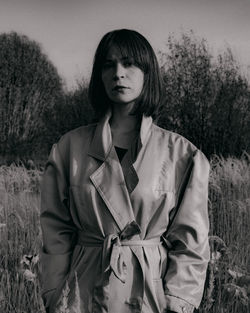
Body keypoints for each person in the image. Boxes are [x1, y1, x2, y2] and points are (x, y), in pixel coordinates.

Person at [40, 29, 210, 313]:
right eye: (109, 64)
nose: (119, 73)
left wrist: (178, 303)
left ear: (148, 72)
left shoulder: (182, 154)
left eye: (129, 63)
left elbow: (191, 242)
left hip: (150, 294)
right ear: (99, 74)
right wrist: (55, 294)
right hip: (82, 293)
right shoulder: (69, 149)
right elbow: (55, 230)